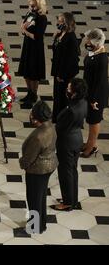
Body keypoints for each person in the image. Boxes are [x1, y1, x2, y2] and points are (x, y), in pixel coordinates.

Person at [19, 101, 57, 234]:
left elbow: (29, 158)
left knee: (34, 199)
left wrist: (22, 163)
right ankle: (41, 224)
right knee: (40, 197)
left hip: (37, 170)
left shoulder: (38, 137)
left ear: (36, 119)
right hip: (49, 165)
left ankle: (35, 227)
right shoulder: (50, 126)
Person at [52, 78, 88, 211]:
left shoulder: (71, 110)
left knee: (65, 172)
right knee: (72, 170)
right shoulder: (83, 103)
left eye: (68, 88)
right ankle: (72, 198)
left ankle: (67, 203)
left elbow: (60, 127)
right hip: (77, 139)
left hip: (66, 143)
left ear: (74, 93)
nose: (66, 90)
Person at [18, 0, 48, 107]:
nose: (31, 8)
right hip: (27, 45)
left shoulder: (42, 18)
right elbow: (23, 28)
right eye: (30, 5)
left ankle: (34, 95)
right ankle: (29, 92)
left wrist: (24, 30)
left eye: (33, 6)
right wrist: (23, 29)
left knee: (34, 73)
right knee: (26, 71)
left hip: (36, 48)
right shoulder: (30, 14)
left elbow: (37, 36)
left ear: (39, 6)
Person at [81, 28, 108, 158]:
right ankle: (88, 143)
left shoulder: (102, 59)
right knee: (90, 119)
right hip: (90, 92)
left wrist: (93, 100)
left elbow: (99, 82)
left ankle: (92, 147)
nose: (86, 42)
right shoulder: (93, 53)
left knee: (94, 121)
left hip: (96, 96)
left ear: (96, 43)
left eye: (89, 40)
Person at [51, 12, 80, 123]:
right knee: (57, 95)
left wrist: (61, 74)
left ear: (67, 23)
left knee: (62, 96)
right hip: (58, 69)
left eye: (61, 21)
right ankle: (56, 116)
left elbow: (70, 60)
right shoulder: (60, 34)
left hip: (64, 72)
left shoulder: (71, 38)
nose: (58, 22)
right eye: (59, 20)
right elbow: (56, 51)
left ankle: (62, 118)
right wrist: (55, 38)